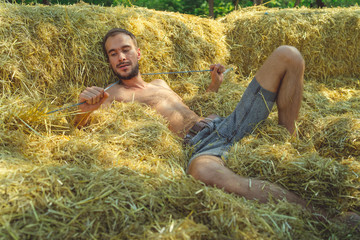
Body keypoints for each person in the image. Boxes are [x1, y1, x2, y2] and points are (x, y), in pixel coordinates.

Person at [73, 28, 359, 226]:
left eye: (125, 50)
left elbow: (182, 110)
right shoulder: (112, 95)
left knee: (289, 54)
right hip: (201, 146)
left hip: (225, 123)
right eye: (113, 54)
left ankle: (287, 142)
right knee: (200, 171)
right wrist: (85, 111)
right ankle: (326, 217)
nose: (121, 57)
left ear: (138, 52)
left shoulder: (160, 83)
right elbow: (79, 132)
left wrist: (214, 86)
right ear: (109, 61)